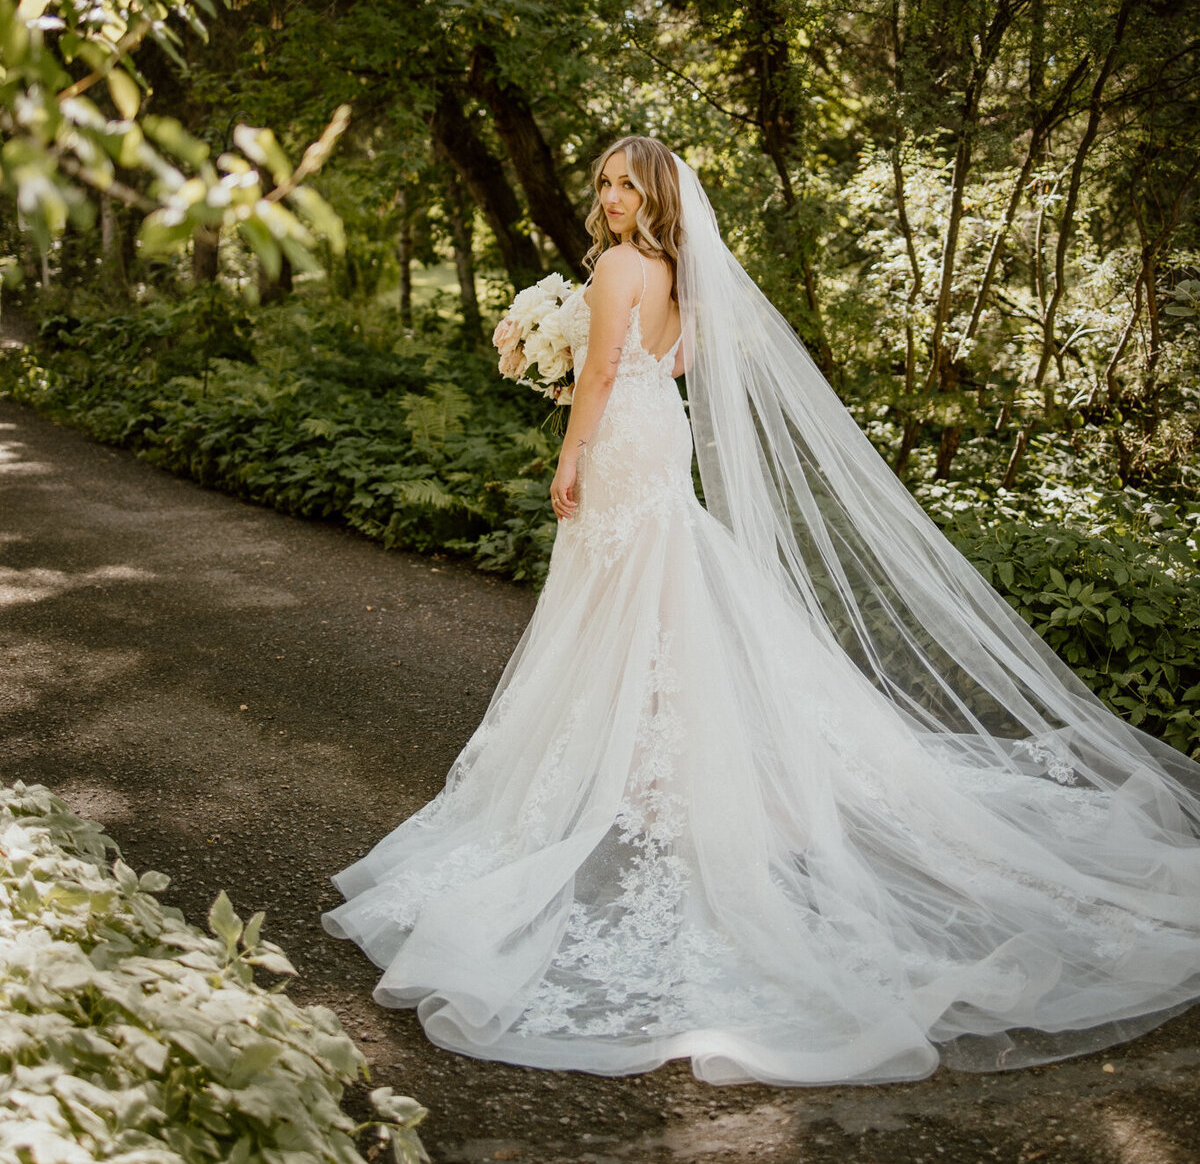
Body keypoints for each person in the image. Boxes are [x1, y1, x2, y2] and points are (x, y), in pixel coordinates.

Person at [323, 136, 1200, 1086]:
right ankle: (652, 764)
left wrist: (569, 451)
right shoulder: (675, 270)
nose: (611, 198)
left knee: (622, 597)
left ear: (652, 194)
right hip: (663, 433)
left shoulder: (621, 266)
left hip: (623, 436)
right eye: (605, 184)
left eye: (626, 184)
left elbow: (604, 370)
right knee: (654, 595)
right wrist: (596, 365)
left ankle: (627, 769)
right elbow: (680, 360)